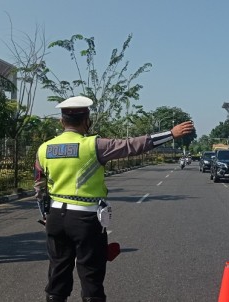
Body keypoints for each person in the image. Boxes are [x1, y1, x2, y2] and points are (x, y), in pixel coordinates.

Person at [34, 96, 194, 302]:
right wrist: (170, 134)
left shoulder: (44, 148)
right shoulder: (95, 145)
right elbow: (132, 145)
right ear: (87, 120)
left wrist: (45, 215)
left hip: (55, 218)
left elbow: (38, 186)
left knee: (57, 273)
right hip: (85, 220)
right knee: (91, 275)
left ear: (61, 121)